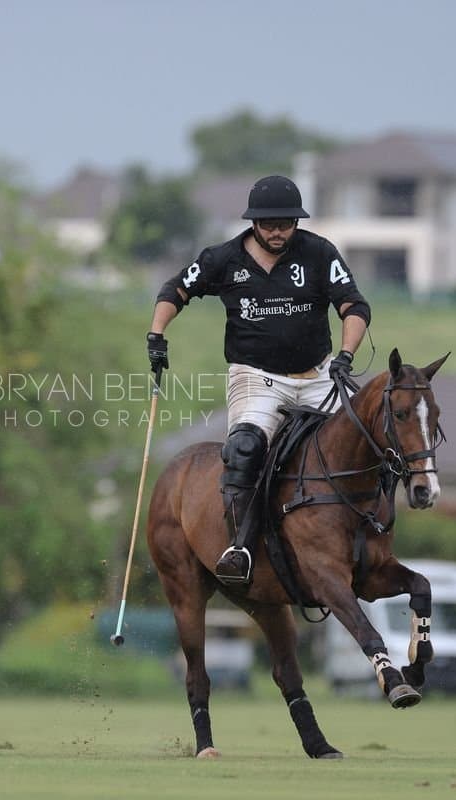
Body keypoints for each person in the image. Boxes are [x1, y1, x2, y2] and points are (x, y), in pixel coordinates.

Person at [147, 175, 371, 585]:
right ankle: (241, 546)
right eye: (269, 225)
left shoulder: (319, 253)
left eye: (286, 224)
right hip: (257, 378)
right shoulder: (224, 259)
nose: (277, 232)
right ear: (253, 222)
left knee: (365, 437)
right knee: (245, 448)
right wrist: (157, 335)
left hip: (319, 374)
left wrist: (345, 355)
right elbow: (176, 289)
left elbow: (353, 305)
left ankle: (372, 535)